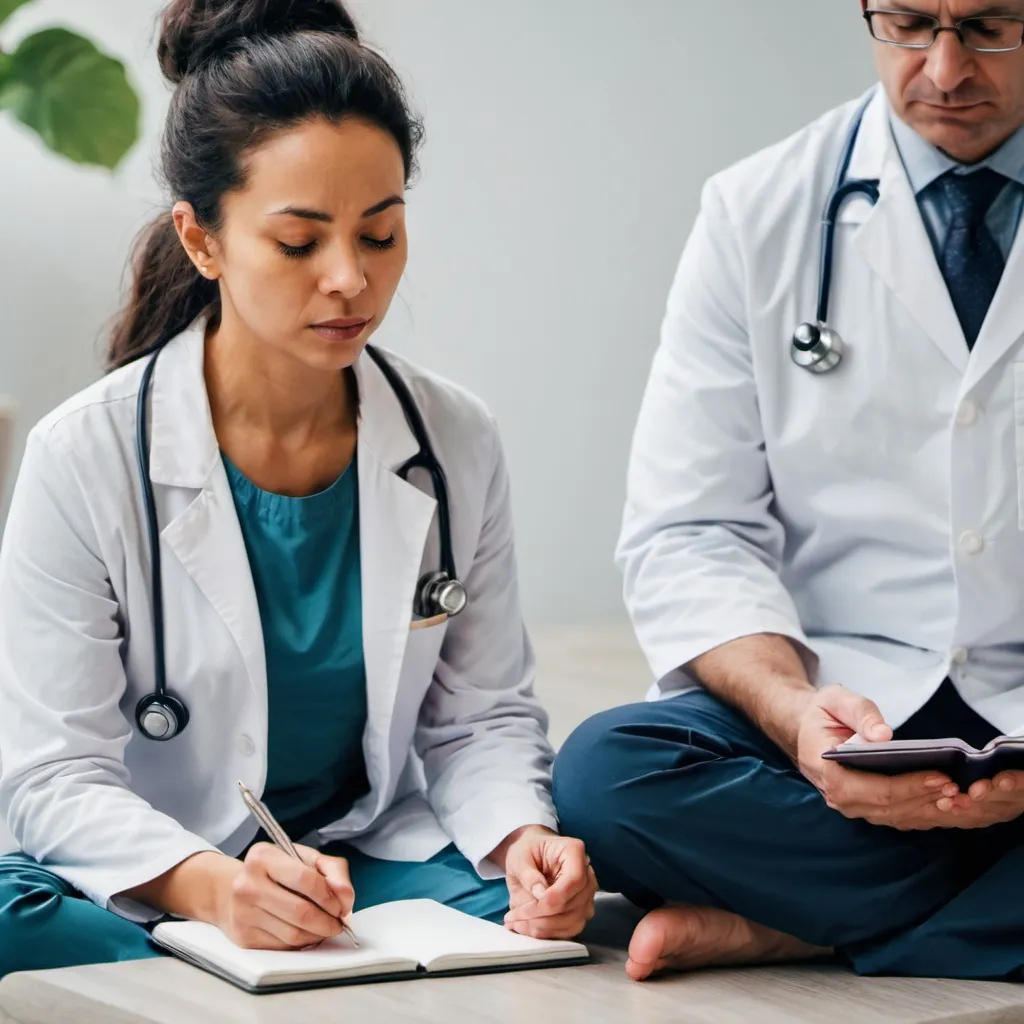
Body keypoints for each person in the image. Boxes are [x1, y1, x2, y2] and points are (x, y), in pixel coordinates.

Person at [0, 0, 596, 979]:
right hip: (166, 866)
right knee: (14, 920)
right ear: (201, 241)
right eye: (298, 242)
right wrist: (210, 888)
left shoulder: (454, 438)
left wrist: (518, 838)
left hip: (364, 864)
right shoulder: (85, 455)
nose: (348, 280)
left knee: (553, 904)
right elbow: (56, 774)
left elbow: (478, 717)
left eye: (380, 234)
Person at [553, 0, 1024, 984]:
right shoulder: (757, 211)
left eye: (992, 26)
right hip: (851, 700)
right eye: (905, 23)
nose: (942, 70)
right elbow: (689, 529)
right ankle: (963, 909)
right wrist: (795, 715)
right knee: (607, 777)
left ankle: (801, 926)